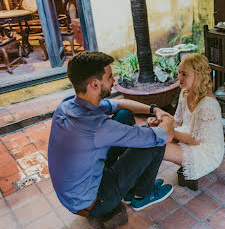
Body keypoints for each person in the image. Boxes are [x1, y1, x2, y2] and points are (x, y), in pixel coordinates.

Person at [48, 51, 175, 218]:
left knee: (124, 115)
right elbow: (166, 135)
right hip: (95, 202)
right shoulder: (98, 127)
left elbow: (119, 103)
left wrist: (154, 109)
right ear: (94, 84)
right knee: (155, 141)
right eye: (109, 77)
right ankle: (143, 195)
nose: (114, 81)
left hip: (75, 193)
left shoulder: (68, 105)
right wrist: (166, 119)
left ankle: (131, 189)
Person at [148, 53, 225, 188]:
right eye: (179, 73)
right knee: (150, 137)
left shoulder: (208, 105)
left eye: (184, 74)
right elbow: (177, 121)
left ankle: (144, 190)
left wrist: (168, 131)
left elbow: (196, 139)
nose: (179, 78)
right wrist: (160, 122)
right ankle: (144, 186)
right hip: (188, 134)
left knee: (157, 147)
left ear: (199, 76)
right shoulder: (185, 93)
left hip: (205, 150)